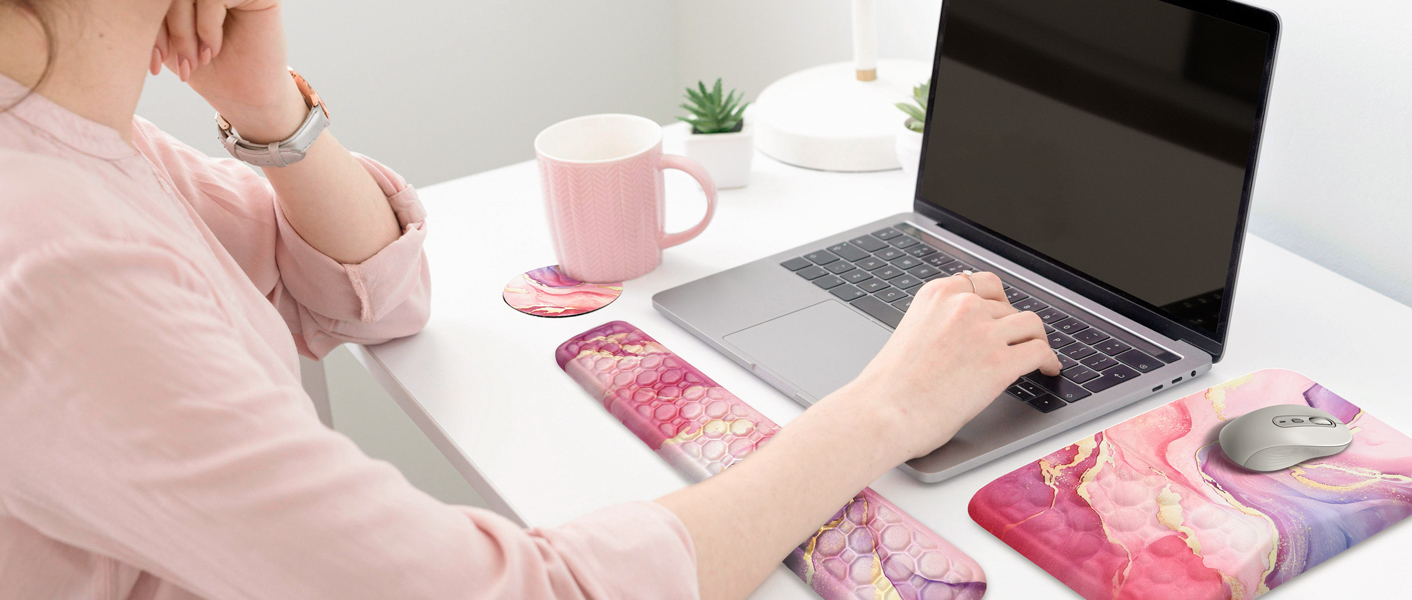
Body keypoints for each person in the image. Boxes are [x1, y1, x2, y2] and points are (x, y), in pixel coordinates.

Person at [0, 1, 1061, 599]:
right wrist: (885, 410)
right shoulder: (58, 260)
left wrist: (265, 108)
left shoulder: (77, 130)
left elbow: (371, 297)